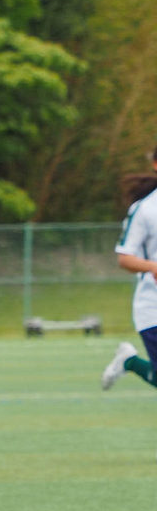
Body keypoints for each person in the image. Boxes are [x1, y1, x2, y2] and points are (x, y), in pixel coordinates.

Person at [103, 143, 157, 394]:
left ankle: (129, 361)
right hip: (153, 308)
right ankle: (130, 362)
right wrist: (152, 266)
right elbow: (124, 257)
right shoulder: (145, 209)